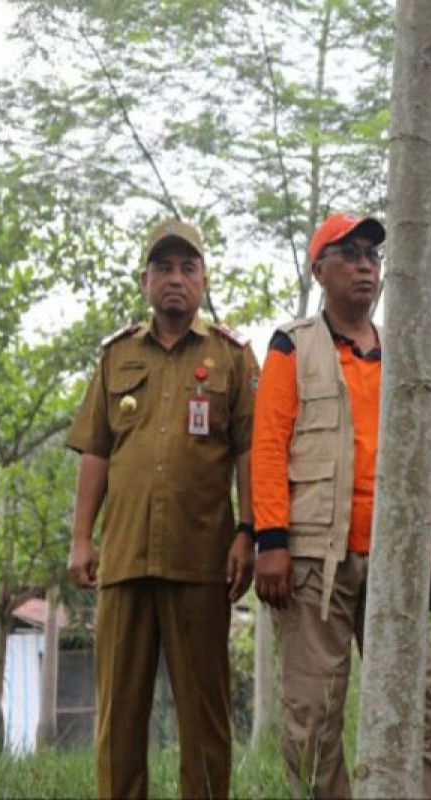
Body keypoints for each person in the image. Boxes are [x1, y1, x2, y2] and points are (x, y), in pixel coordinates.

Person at [251, 211, 431, 799]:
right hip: (315, 557)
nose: (366, 265)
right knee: (313, 715)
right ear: (320, 269)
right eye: (350, 254)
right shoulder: (292, 344)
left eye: (373, 255)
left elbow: (425, 449)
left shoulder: (405, 350)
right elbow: (268, 445)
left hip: (395, 557)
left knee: (422, 709)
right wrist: (271, 541)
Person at [66, 219, 257, 798]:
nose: (176, 279)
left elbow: (251, 451)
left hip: (201, 560)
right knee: (119, 719)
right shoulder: (115, 356)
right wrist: (81, 538)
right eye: (165, 269)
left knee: (206, 717)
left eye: (188, 268)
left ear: (203, 280)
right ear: (146, 280)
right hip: (123, 560)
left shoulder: (232, 358)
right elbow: (97, 450)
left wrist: (249, 530)